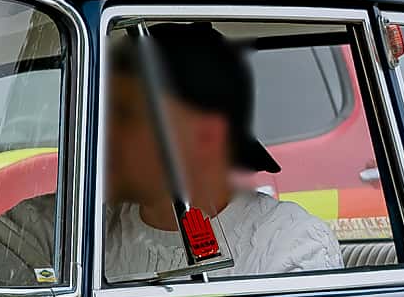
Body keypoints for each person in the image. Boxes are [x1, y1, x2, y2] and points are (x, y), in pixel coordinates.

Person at [101, 25, 341, 283]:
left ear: (205, 138)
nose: (103, 132)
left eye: (125, 115)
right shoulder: (80, 231)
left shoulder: (288, 245)